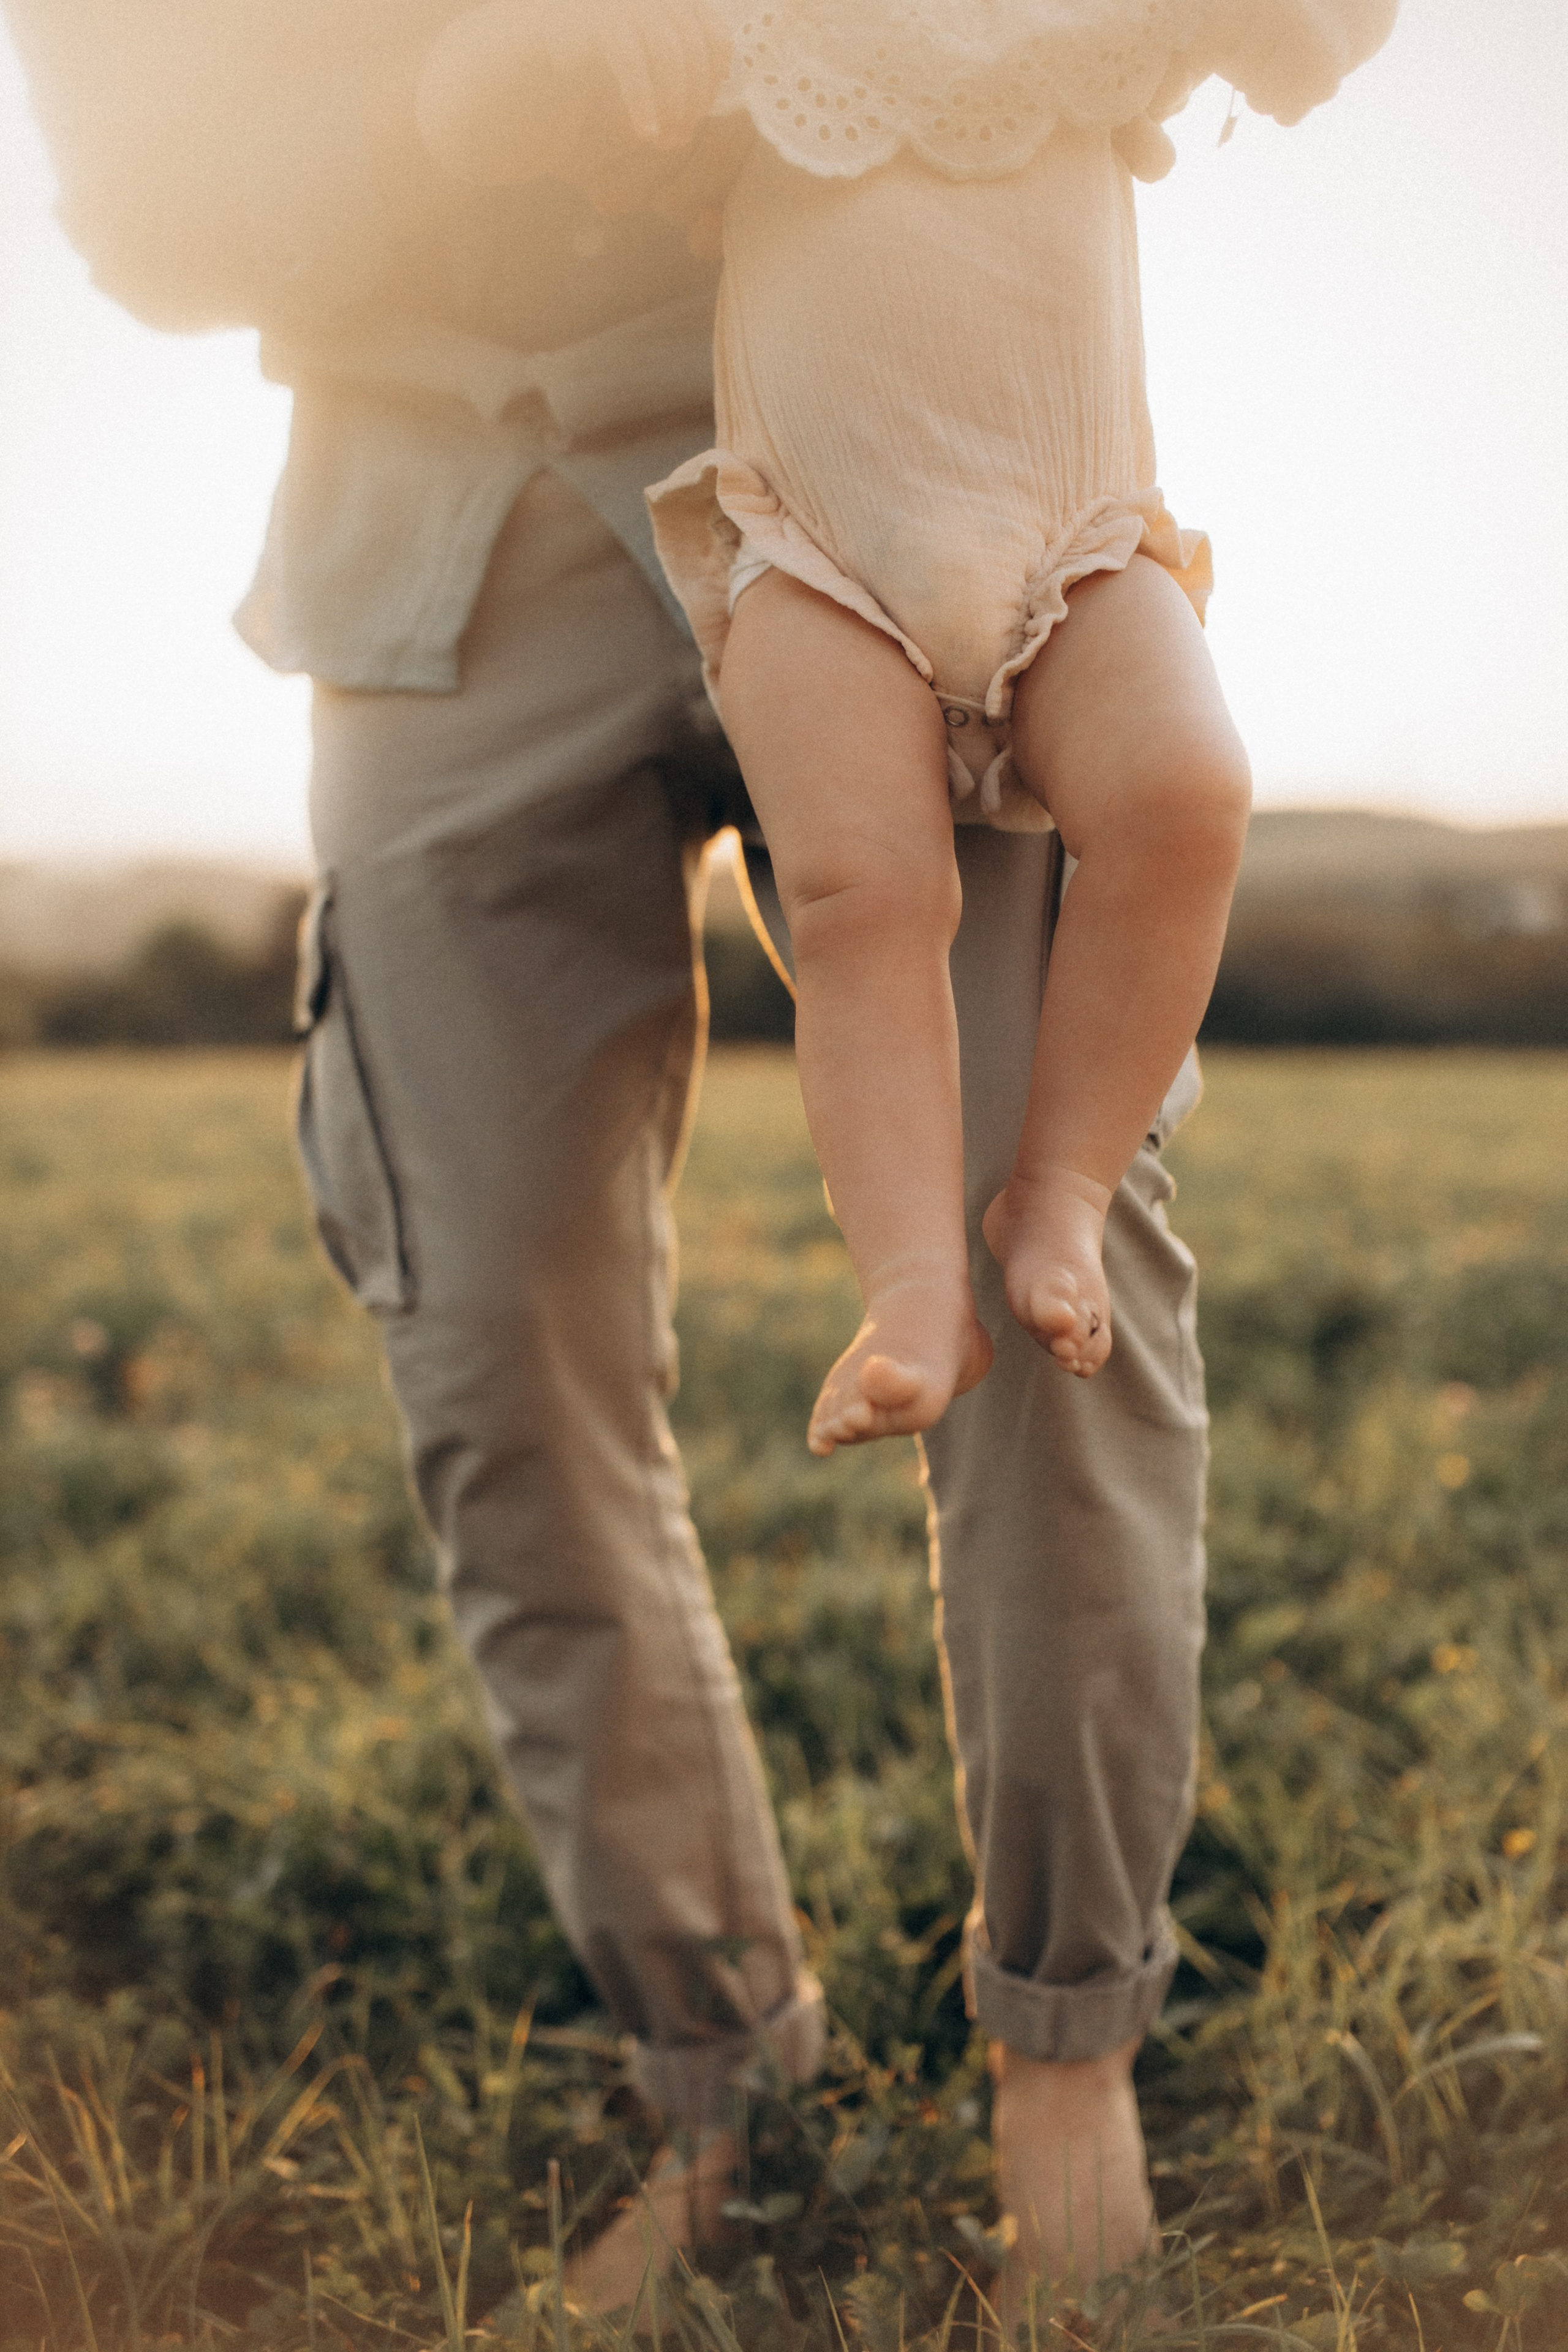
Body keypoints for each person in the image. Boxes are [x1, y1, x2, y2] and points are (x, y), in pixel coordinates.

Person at [2, 0, 1291, 2313]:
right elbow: (149, 194)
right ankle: (718, 2079)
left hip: (907, 443)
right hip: (441, 528)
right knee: (495, 1333)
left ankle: (1068, 2043)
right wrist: (455, 96)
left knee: (1052, 1232)